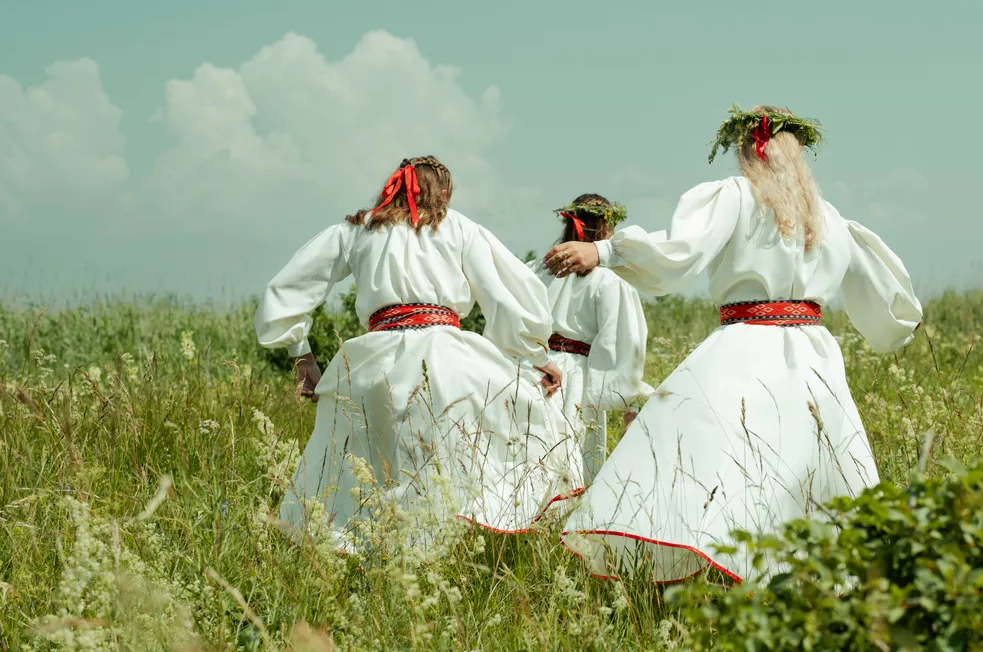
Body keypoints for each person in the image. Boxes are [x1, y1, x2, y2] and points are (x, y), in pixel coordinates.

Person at [544, 106, 924, 584]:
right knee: (807, 473)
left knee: (708, 458)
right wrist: (902, 325)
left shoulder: (736, 197)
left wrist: (605, 250)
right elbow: (886, 299)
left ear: (749, 150)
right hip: (814, 360)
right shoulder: (826, 217)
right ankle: (801, 585)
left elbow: (681, 249)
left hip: (743, 350)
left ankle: (732, 576)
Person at [254, 156, 581, 551]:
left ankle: (372, 552)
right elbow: (505, 295)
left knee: (374, 471)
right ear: (443, 191)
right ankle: (448, 551)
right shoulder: (458, 228)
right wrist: (533, 355)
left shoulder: (358, 229)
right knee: (472, 453)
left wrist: (301, 355)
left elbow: (288, 287)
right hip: (449, 360)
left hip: (372, 365)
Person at [530, 194, 652, 488]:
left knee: (534, 454)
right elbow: (619, 344)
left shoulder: (538, 269)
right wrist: (630, 403)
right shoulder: (611, 281)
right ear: (607, 231)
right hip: (578, 379)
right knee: (573, 460)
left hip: (535, 369)